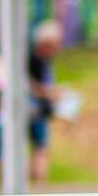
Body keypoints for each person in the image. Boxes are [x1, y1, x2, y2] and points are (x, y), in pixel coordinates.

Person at [27, 20, 61, 184]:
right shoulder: (32, 59)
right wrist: (48, 92)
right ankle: (38, 182)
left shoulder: (45, 61)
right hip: (34, 110)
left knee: (41, 148)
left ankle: (39, 180)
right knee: (39, 147)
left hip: (42, 110)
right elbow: (28, 84)